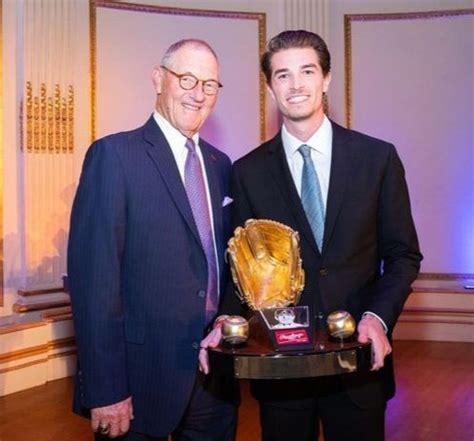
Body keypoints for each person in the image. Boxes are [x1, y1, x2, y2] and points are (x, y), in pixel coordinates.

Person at [200, 30, 422, 441]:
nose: (296, 84)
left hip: (359, 365)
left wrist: (376, 319)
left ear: (326, 79)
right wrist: (226, 318)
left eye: (307, 71)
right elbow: (241, 268)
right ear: (270, 86)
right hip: (281, 369)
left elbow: (403, 254)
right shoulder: (247, 171)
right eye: (283, 75)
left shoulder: (377, 158)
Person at [68, 39, 237, 441]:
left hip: (215, 376)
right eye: (187, 78)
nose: (198, 94)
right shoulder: (114, 156)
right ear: (159, 79)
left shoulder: (221, 165)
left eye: (210, 84)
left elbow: (229, 265)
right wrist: (107, 390)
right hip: (140, 380)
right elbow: (95, 284)